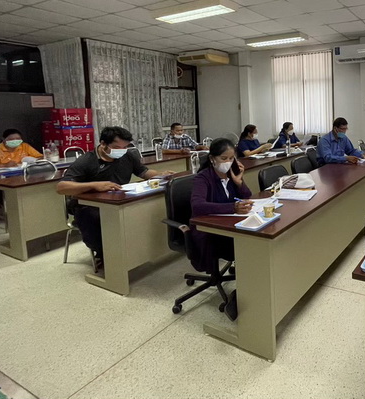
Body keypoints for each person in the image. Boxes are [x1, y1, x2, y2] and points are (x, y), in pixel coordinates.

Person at [56, 126, 168, 267]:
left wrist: (161, 175)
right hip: (88, 206)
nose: (121, 150)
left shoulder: (127, 156)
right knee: (100, 219)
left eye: (125, 147)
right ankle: (105, 255)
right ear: (103, 144)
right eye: (116, 147)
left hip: (117, 200)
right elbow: (61, 187)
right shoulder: (87, 161)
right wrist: (94, 185)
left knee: (141, 210)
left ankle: (136, 251)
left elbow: (143, 172)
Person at [190, 138, 253, 321]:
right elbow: (197, 206)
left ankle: (247, 292)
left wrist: (239, 182)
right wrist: (232, 208)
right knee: (250, 248)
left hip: (230, 227)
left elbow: (247, 196)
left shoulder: (230, 176)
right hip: (209, 232)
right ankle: (239, 298)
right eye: (224, 158)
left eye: (232, 158)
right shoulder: (203, 178)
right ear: (212, 159)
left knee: (256, 243)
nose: (228, 162)